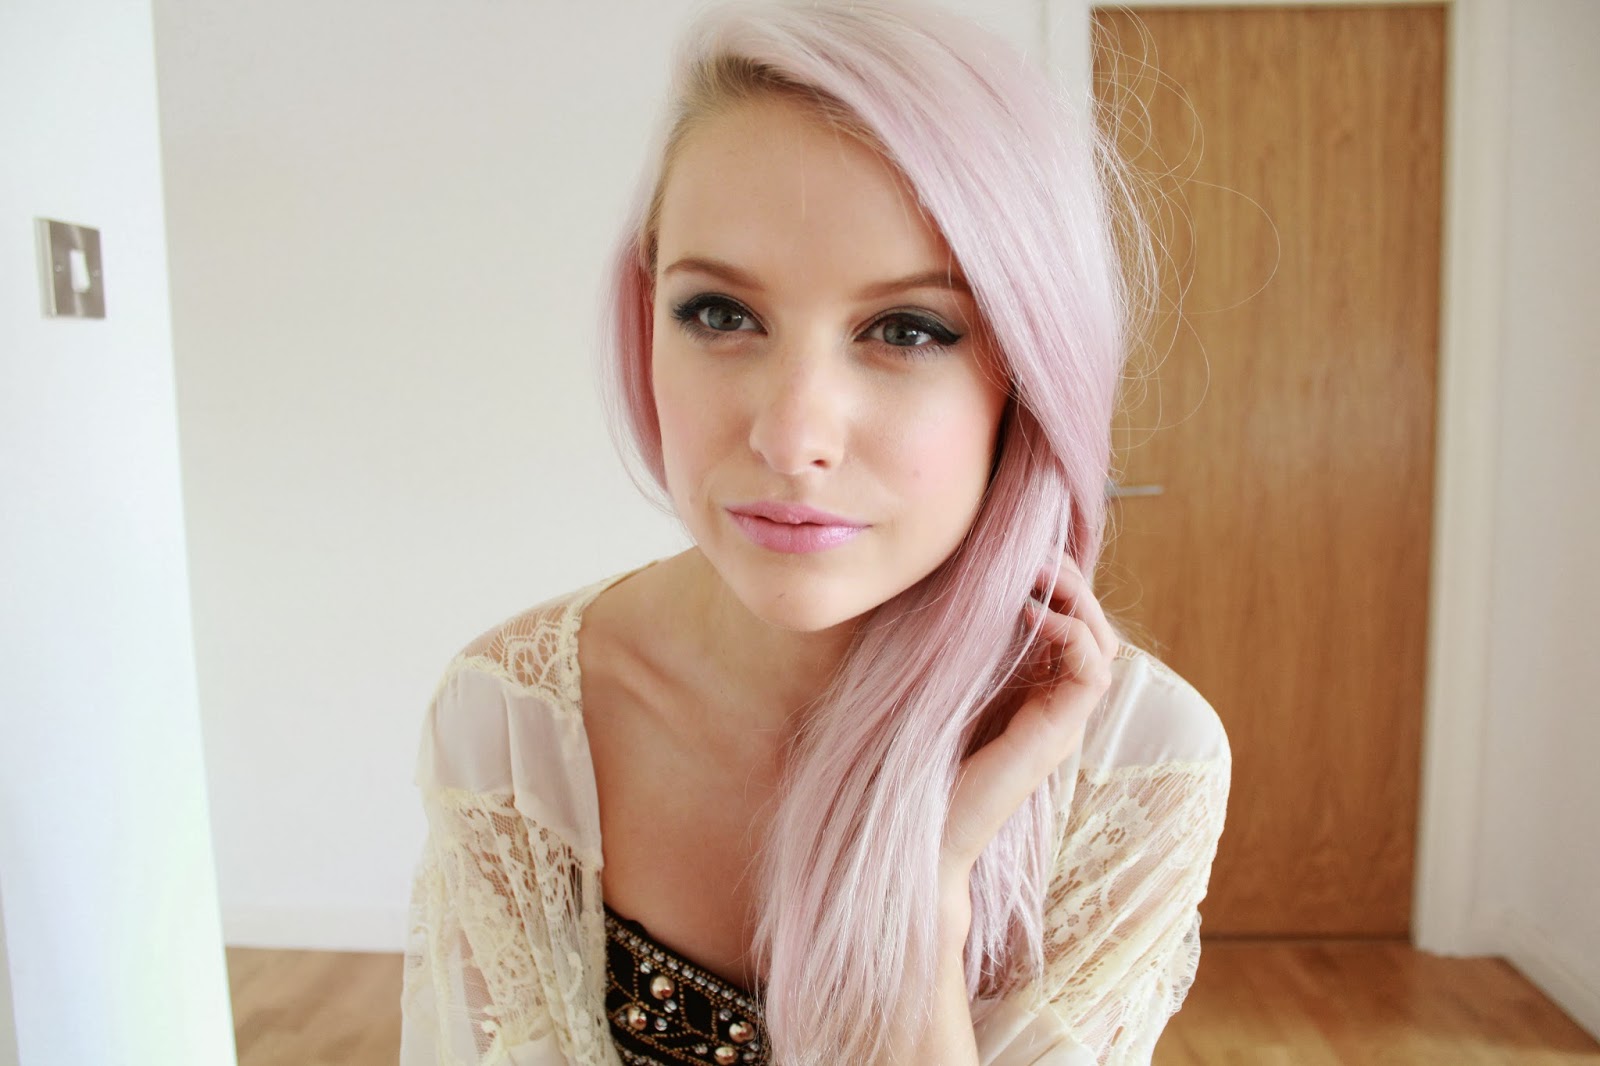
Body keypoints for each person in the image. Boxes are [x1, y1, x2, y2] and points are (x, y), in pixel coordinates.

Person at [398, 1, 1230, 1064]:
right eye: (720, 313)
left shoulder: (1134, 766)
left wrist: (923, 900)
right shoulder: (515, 726)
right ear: (647, 315)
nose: (791, 439)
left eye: (906, 329)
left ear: (1027, 373)